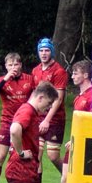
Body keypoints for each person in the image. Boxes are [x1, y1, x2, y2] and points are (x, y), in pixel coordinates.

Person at [0, 51, 33, 183]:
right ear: (6, 66)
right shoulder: (1, 81)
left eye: (16, 64)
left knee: (17, 157)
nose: (13, 68)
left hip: (23, 124)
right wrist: (5, 79)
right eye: (10, 65)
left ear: (21, 65)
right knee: (0, 156)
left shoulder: (30, 79)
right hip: (6, 122)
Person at [33, 38, 69, 176]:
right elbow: (35, 95)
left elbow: (58, 99)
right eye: (41, 50)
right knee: (37, 154)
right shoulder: (36, 70)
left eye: (47, 50)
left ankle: (69, 178)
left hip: (55, 118)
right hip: (39, 117)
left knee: (53, 156)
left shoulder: (59, 71)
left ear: (52, 52)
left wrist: (47, 120)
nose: (44, 53)